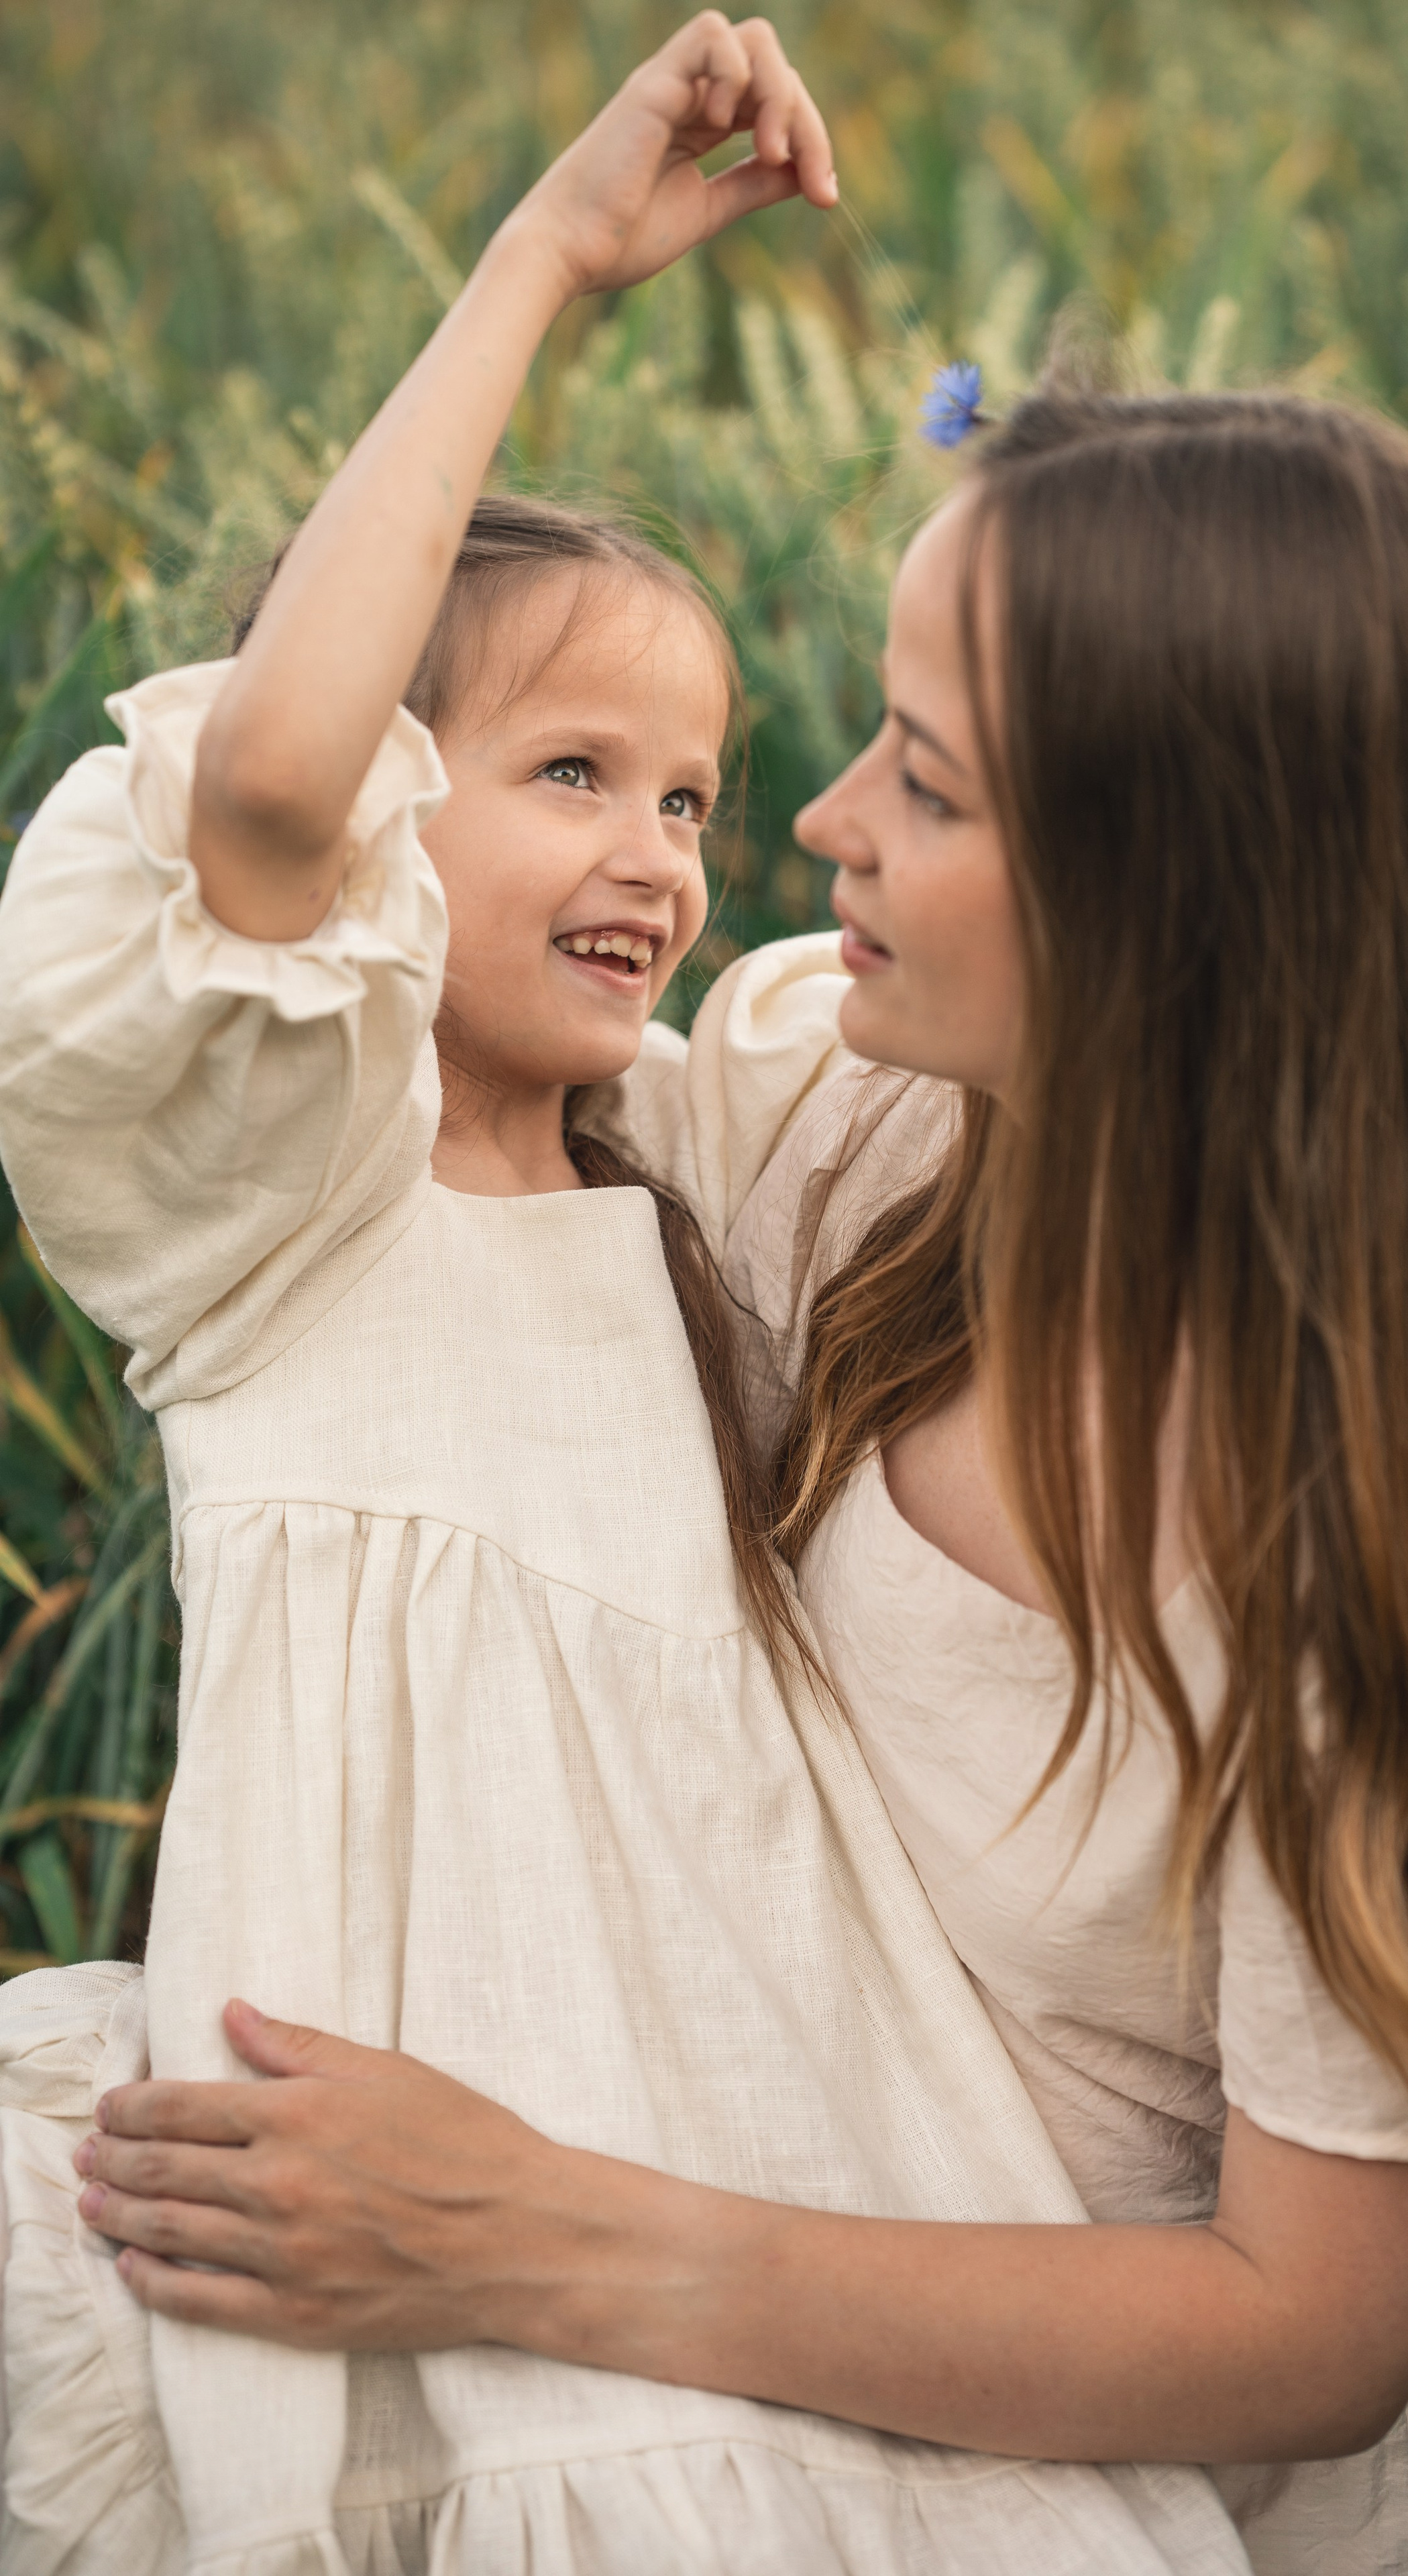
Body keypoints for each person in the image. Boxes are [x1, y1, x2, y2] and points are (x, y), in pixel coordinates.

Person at [66, 380, 1408, 2576]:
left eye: (924, 783)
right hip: (612, 2340)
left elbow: (1312, 2333)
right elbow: (341, 947)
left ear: (1174, 894)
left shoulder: (1398, 1577)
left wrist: (536, 2238)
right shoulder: (840, 1132)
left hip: (1055, 2492)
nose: (814, 825)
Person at [0, 24, 1254, 2576]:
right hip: (411, 2184)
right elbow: (259, 794)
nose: (669, 852)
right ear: (388, 807)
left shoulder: (703, 1163)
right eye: (572, 774)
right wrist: (543, 259)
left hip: (761, 2140)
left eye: (690, 795)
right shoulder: (280, 1207)